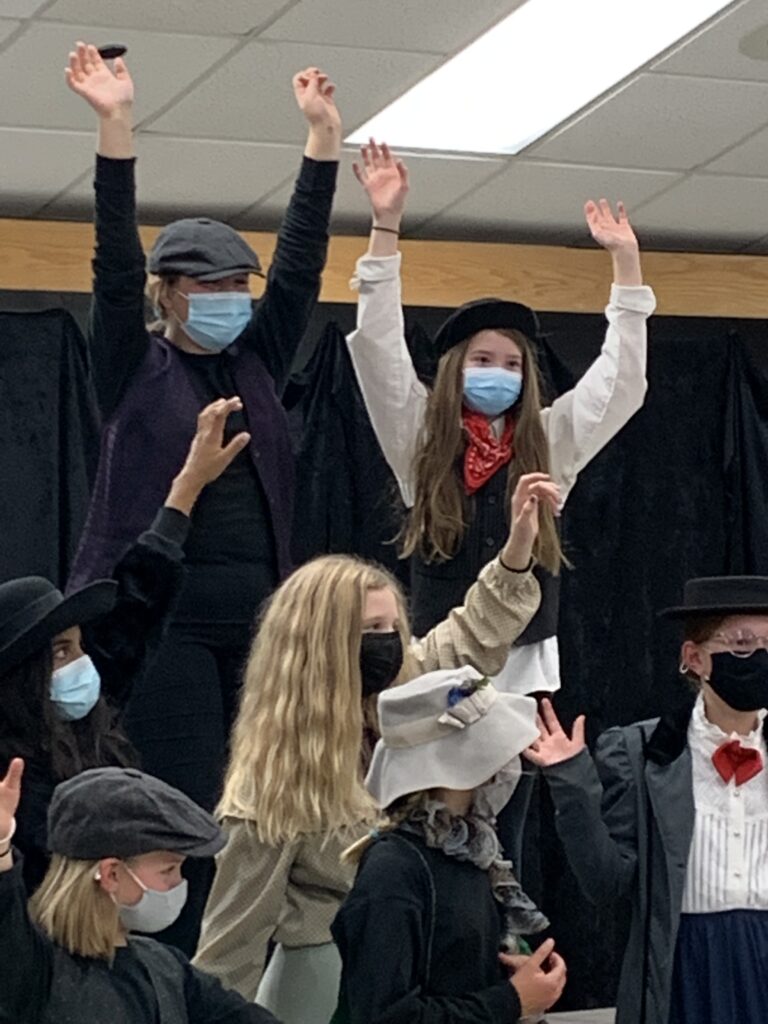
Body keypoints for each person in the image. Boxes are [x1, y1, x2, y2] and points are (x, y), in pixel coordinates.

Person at [346, 139, 656, 869]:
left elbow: (623, 385)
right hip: (435, 667)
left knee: (502, 836)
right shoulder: (421, 440)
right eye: (483, 361)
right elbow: (378, 349)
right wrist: (385, 229)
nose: (499, 374)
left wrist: (627, 271)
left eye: (513, 363)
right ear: (456, 371)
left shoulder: (550, 441)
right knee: (426, 820)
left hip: (518, 673)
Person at [63, 43, 343, 817]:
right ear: (170, 294)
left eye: (235, 285)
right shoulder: (133, 368)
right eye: (209, 285)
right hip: (166, 626)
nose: (229, 297)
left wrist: (322, 144)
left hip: (264, 623)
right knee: (187, 807)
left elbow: (299, 268)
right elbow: (112, 263)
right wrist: (115, 127)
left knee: (262, 811)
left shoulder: (257, 361)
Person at [194, 473, 559, 1024]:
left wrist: (514, 558)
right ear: (323, 647)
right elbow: (230, 948)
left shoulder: (404, 702)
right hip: (329, 991)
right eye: (372, 630)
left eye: (393, 625)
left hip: (425, 977)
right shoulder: (271, 787)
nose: (390, 643)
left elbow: (467, 637)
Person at [0, 397, 246, 896]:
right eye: (61, 653)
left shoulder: (90, 721)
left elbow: (139, 603)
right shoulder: (12, 771)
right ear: (22, 677)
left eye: (78, 645)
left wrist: (187, 486)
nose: (83, 663)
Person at [529, 576, 768, 1024]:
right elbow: (607, 882)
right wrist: (570, 781)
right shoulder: (640, 752)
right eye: (741, 644)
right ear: (695, 658)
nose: (759, 657)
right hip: (682, 966)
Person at [331, 665, 567, 1023]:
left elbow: (449, 967)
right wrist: (511, 1000)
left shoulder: (470, 850)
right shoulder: (393, 871)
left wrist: (505, 977)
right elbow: (385, 1014)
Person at [0, 761, 280, 1023]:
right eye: (167, 871)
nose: (179, 884)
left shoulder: (165, 968)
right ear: (111, 874)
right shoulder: (34, 967)